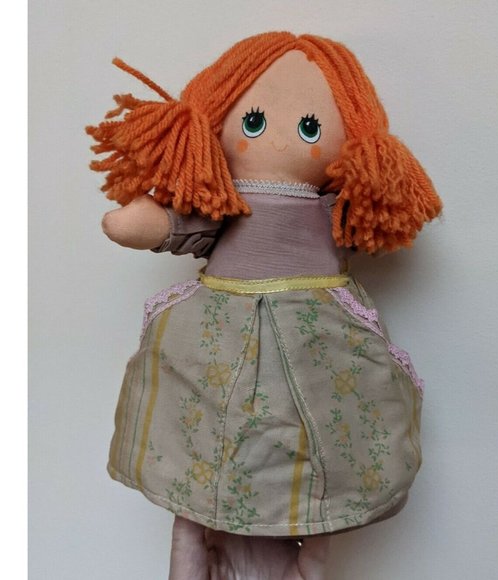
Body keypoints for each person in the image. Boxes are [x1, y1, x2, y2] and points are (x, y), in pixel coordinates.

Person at [88, 32, 441, 578]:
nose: (276, 141)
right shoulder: (223, 201)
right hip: (220, 324)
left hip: (317, 330)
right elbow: (177, 223)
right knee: (209, 411)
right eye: (251, 123)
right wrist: (147, 222)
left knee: (320, 418)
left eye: (310, 129)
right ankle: (233, 525)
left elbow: (381, 219)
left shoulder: (329, 208)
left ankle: (303, 519)